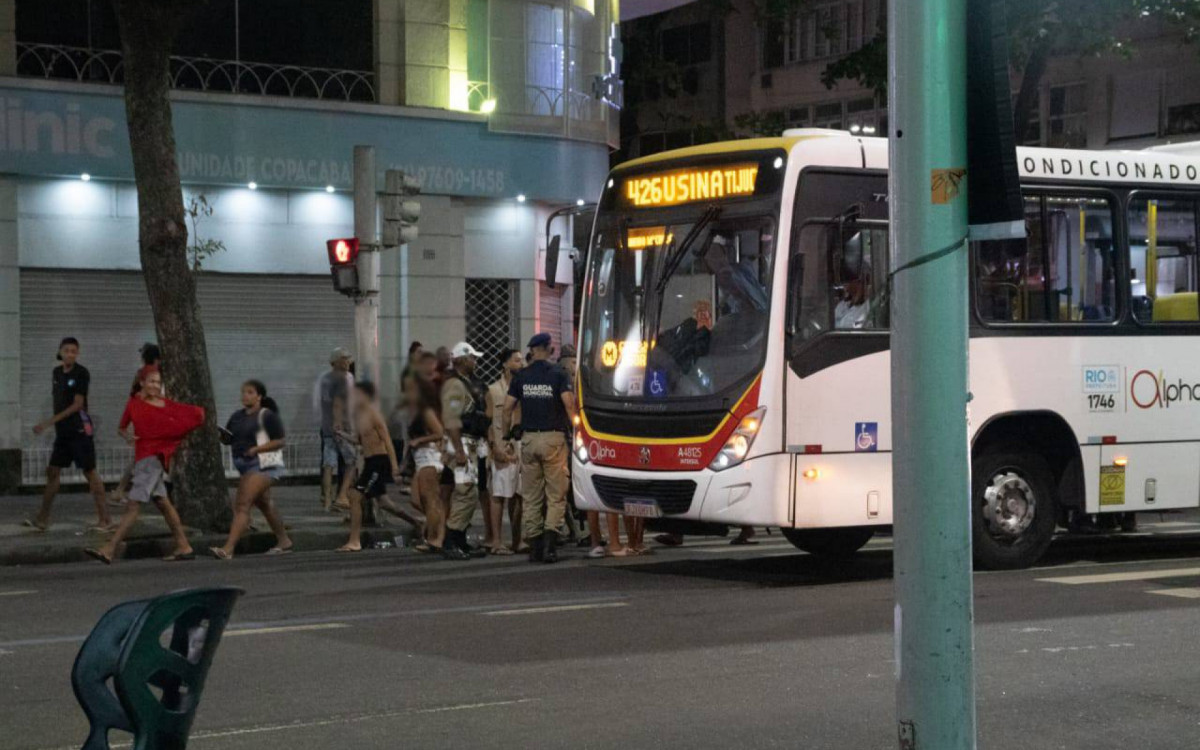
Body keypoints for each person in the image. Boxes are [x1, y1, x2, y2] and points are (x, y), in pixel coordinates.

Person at [85, 370, 201, 564]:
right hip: (142, 458)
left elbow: (191, 416)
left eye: (158, 382)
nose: (155, 385)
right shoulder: (134, 404)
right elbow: (122, 428)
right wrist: (128, 437)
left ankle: (109, 548)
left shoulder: (166, 405)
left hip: (152, 460)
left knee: (133, 505)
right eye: (151, 381)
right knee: (163, 503)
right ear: (142, 383)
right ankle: (184, 545)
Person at [503, 332, 577, 563]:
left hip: (528, 440)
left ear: (532, 351)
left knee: (531, 496)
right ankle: (550, 546)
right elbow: (568, 404)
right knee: (556, 496)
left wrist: (508, 434)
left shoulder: (521, 376)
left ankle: (534, 547)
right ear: (549, 348)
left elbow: (507, 408)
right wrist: (578, 431)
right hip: (553, 439)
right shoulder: (558, 374)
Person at [27, 337, 112, 533]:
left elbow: (77, 405)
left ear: (77, 353)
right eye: (67, 350)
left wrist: (49, 422)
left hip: (79, 430)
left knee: (89, 471)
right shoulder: (57, 372)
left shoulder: (81, 373)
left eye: (74, 351)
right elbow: (59, 399)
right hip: (63, 433)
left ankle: (105, 519)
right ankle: (42, 518)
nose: (70, 354)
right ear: (60, 352)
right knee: (53, 471)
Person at [210, 381, 292, 560]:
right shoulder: (237, 416)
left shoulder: (266, 416)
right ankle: (283, 540)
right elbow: (230, 439)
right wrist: (223, 437)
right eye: (243, 392)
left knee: (241, 505)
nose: (245, 395)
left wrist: (257, 449)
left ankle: (228, 548)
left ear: (259, 396)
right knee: (265, 504)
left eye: (250, 392)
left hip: (263, 464)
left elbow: (280, 441)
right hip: (244, 464)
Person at [337, 382, 421, 552]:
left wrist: (395, 467)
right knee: (384, 502)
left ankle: (354, 540)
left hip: (378, 460)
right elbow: (360, 441)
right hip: (369, 461)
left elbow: (387, 440)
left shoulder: (374, 414)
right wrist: (342, 434)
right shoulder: (359, 417)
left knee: (354, 495)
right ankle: (417, 522)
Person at [440, 342, 491, 560]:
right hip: (461, 443)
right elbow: (451, 420)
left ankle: (459, 540)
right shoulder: (455, 385)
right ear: (461, 360)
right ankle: (451, 541)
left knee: (468, 493)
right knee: (465, 493)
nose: (475, 362)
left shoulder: (466, 383)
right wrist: (459, 451)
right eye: (472, 358)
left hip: (469, 443)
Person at [109, 343, 163, 506]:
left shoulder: (140, 372)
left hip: (140, 417)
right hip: (151, 419)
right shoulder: (153, 373)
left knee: (141, 458)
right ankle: (128, 491)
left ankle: (123, 490)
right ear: (156, 358)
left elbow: (133, 393)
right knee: (145, 458)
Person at [486, 348, 525, 555]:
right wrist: (494, 446)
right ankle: (496, 541)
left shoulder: (525, 388)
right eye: (517, 360)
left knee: (518, 495)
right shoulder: (493, 390)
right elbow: (489, 421)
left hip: (521, 444)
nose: (521, 364)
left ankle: (517, 540)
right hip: (502, 443)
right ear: (505, 364)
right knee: (499, 494)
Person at [406, 356, 448, 552]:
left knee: (431, 500)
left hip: (429, 457)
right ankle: (439, 527)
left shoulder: (426, 410)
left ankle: (434, 538)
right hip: (420, 458)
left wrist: (419, 441)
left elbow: (439, 432)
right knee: (417, 499)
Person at [317, 347, 357, 512]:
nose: (347, 362)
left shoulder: (326, 379)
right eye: (344, 359)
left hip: (328, 426)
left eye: (348, 358)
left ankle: (327, 500)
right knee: (352, 461)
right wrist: (341, 425)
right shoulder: (343, 379)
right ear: (335, 362)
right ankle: (341, 496)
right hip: (341, 427)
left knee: (329, 464)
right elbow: (337, 404)